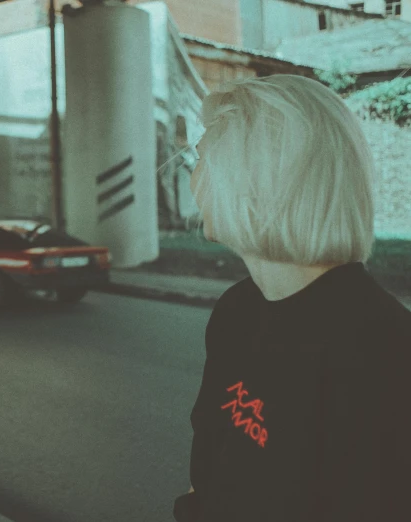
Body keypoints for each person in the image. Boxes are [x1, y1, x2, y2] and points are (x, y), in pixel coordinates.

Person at [173, 74, 411, 522]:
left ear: (257, 178)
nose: (193, 179)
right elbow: (206, 474)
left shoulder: (387, 354)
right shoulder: (235, 312)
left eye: (202, 158)